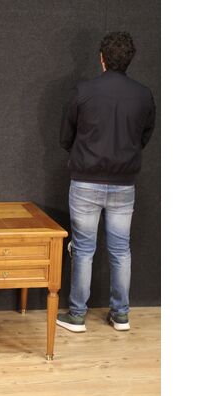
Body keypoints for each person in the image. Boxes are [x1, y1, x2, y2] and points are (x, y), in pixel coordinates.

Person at [56, 31, 156, 333]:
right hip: (124, 184)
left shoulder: (83, 91)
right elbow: (145, 136)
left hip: (86, 182)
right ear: (129, 59)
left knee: (84, 250)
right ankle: (121, 315)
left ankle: (77, 316)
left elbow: (65, 135)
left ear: (102, 59)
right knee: (120, 250)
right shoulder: (143, 94)